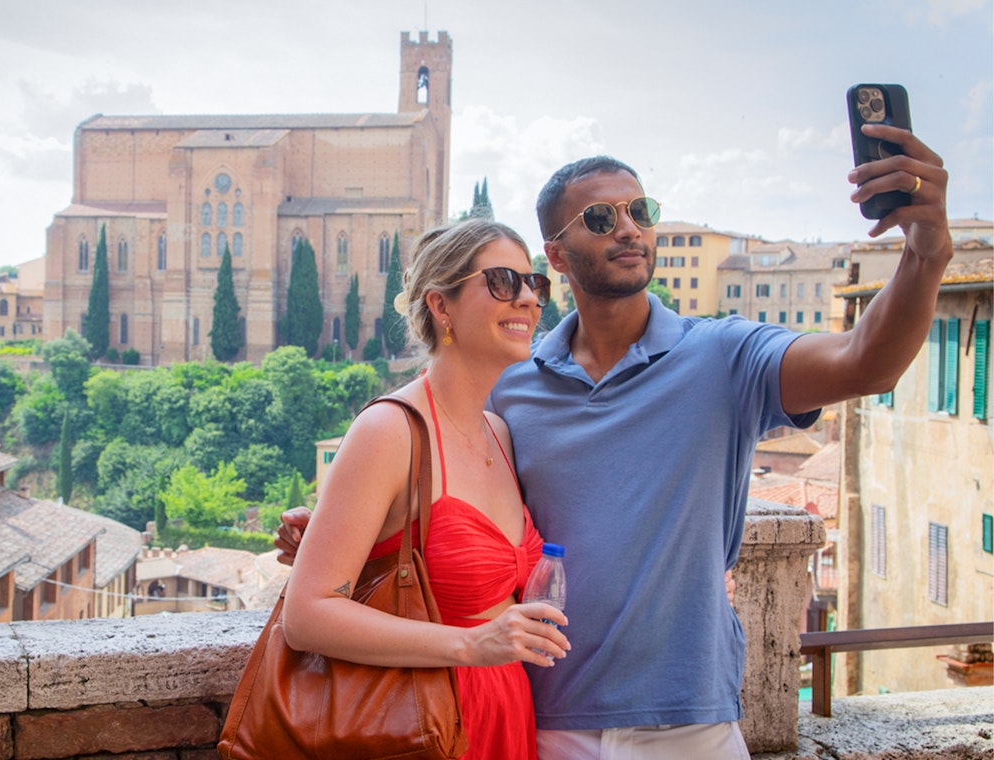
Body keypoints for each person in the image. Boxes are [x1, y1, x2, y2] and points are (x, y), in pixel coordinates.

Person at [280, 123, 952, 759]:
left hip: (693, 721)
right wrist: (347, 536)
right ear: (557, 254)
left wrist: (925, 250)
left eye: (641, 210)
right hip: (545, 720)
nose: (629, 229)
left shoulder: (723, 356)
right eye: (601, 219)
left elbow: (870, 361)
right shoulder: (510, 392)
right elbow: (450, 504)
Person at [281, 218, 571, 760]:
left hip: (505, 716)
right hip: (426, 726)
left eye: (535, 284)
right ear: (442, 306)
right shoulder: (388, 431)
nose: (529, 299)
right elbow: (307, 616)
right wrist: (471, 644)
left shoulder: (501, 434)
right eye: (505, 282)